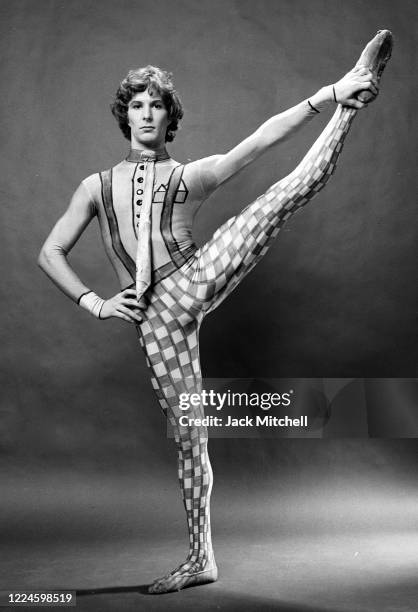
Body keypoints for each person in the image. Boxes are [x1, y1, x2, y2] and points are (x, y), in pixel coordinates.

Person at [38, 30, 392, 593]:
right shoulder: (95, 188)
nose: (147, 113)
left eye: (157, 105)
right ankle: (201, 559)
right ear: (125, 116)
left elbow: (257, 141)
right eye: (137, 105)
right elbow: (50, 251)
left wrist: (329, 94)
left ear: (169, 117)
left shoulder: (188, 176)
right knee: (190, 437)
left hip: (194, 277)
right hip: (153, 318)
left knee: (288, 191)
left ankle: (353, 95)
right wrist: (96, 302)